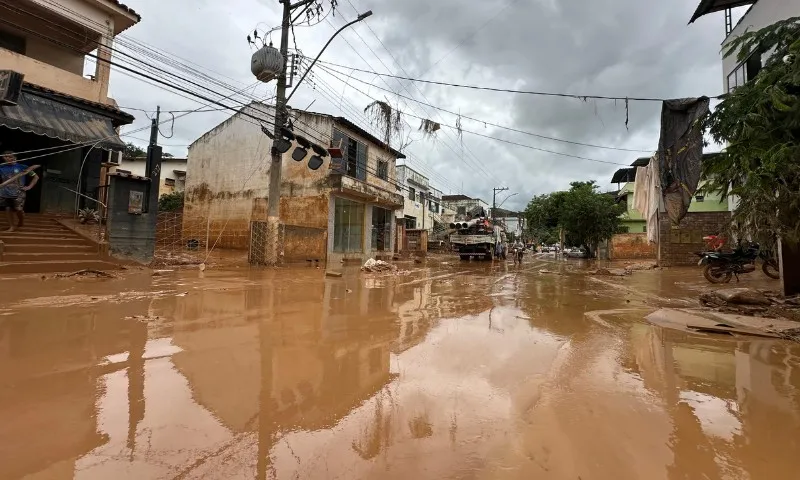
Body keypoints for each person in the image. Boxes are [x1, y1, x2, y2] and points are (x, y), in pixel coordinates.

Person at [0, 151, 39, 232]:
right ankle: (12, 226)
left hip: (19, 192)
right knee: (8, 208)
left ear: (15, 157)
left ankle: (21, 220)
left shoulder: (23, 167)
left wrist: (29, 187)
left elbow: (36, 177)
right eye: (5, 157)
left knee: (18, 209)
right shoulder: (1, 167)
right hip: (5, 192)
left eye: (10, 156)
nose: (8, 158)